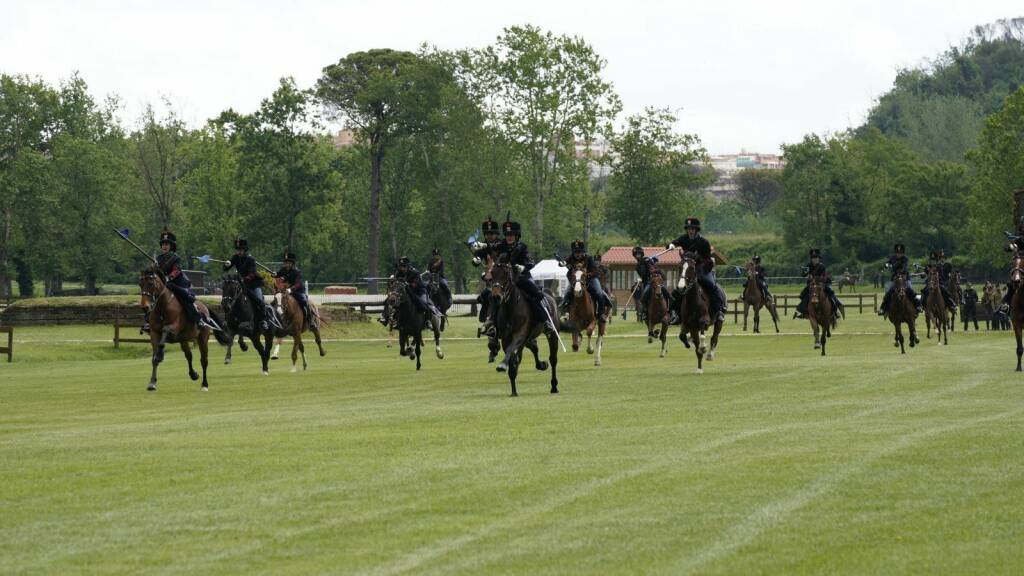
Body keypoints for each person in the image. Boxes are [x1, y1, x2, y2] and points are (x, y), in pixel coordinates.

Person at [666, 217, 728, 323]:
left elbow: (708, 259)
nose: (690, 231)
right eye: (688, 229)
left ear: (696, 230)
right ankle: (673, 313)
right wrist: (671, 245)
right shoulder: (684, 238)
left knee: (712, 286)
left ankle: (719, 312)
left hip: (702, 269)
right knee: (679, 289)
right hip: (689, 270)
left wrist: (698, 260)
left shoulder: (703, 242)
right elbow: (674, 242)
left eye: (692, 229)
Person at [499, 219, 556, 333]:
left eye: (511, 235)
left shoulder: (522, 247)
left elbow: (531, 262)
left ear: (516, 236)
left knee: (534, 295)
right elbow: (492, 250)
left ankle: (545, 322)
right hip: (505, 279)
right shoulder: (501, 246)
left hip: (521, 277)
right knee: (492, 296)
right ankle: (491, 323)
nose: (509, 237)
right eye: (507, 235)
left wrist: (523, 267)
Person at [153, 229, 208, 329]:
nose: (164, 246)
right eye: (163, 244)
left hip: (177, 283)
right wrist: (153, 267)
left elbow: (176, 270)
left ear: (171, 246)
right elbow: (156, 272)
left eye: (167, 244)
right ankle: (149, 320)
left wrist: (169, 277)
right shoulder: (158, 259)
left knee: (185, 299)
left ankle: (198, 319)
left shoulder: (176, 258)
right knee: (151, 298)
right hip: (164, 285)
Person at [223, 238, 269, 331]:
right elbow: (226, 268)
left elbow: (252, 273)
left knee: (260, 301)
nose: (238, 252)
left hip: (254, 284)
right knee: (231, 299)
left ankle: (264, 321)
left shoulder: (251, 259)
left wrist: (244, 279)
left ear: (244, 250)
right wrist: (226, 265)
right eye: (237, 250)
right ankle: (227, 320)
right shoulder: (235, 258)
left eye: (240, 250)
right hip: (243, 285)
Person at [558, 239, 612, 318]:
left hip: (591, 279)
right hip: (576, 280)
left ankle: (601, 313)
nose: (577, 254)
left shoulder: (588, 258)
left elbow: (595, 271)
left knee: (599, 293)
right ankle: (566, 311)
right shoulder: (571, 257)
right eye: (575, 252)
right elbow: (563, 263)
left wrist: (587, 275)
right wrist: (561, 263)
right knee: (567, 293)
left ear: (582, 252)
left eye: (579, 252)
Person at [384, 257, 445, 324]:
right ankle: (386, 318)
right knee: (388, 300)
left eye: (404, 266)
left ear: (408, 266)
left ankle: (428, 321)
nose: (402, 268)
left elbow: (415, 284)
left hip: (418, 292)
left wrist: (407, 284)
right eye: (401, 266)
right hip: (405, 292)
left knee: (425, 303)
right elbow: (396, 282)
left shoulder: (415, 272)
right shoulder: (398, 273)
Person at [471, 216, 502, 334]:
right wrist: (476, 261)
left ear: (496, 234)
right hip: (490, 279)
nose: (489, 236)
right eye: (487, 234)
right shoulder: (483, 246)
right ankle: (486, 320)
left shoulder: (501, 244)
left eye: (491, 233)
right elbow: (477, 258)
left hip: (502, 278)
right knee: (484, 295)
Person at [795, 248, 843, 319]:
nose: (814, 259)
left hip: (823, 283)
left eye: (816, 258)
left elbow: (824, 278)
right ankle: (803, 312)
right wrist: (804, 272)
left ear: (819, 258)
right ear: (811, 259)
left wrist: (815, 278)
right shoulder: (808, 265)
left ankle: (836, 310)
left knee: (830, 293)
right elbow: (803, 275)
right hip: (811, 284)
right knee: (803, 294)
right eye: (813, 258)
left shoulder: (822, 266)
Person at [878, 243, 920, 316]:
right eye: (897, 253)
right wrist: (886, 266)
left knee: (911, 290)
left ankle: (918, 306)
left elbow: (905, 268)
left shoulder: (905, 259)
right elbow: (887, 263)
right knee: (888, 292)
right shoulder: (892, 258)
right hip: (895, 278)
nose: (898, 254)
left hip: (905, 278)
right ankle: (883, 309)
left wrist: (898, 269)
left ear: (903, 253)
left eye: (900, 253)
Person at [274, 249, 311, 326]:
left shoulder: (297, 272)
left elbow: (298, 284)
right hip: (286, 292)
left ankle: (310, 320)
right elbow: (277, 274)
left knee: (304, 301)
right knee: (275, 302)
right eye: (285, 262)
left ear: (292, 264)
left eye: (288, 263)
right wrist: (274, 274)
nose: (286, 264)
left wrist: (290, 289)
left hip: (297, 291)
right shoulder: (283, 270)